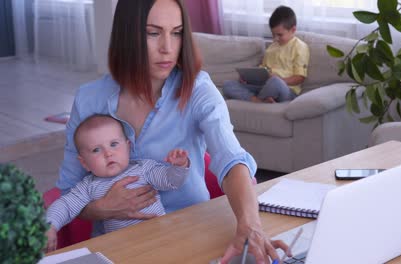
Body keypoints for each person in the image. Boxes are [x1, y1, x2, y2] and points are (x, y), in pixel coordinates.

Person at [56, 0, 289, 263]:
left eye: (176, 32)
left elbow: (231, 158)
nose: (168, 48)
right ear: (127, 34)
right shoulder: (89, 99)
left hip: (192, 237)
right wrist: (101, 209)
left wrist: (251, 226)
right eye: (153, 33)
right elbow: (69, 190)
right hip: (119, 249)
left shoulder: (198, 88)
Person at [45, 114, 190, 252]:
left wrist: (179, 166)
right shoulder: (88, 186)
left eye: (114, 144)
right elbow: (65, 205)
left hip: (161, 238)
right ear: (85, 163)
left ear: (128, 147)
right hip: (122, 249)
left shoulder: (143, 169)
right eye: (96, 150)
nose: (108, 153)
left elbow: (171, 181)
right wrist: (49, 225)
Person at [223, 5, 310, 103]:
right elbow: (263, 70)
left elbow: (300, 78)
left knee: (275, 82)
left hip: (286, 89)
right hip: (263, 86)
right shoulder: (272, 47)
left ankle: (259, 99)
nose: (275, 39)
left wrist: (280, 80)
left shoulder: (300, 47)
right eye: (273, 34)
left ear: (293, 30)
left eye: (280, 35)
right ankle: (259, 99)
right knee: (228, 85)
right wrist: (248, 79)